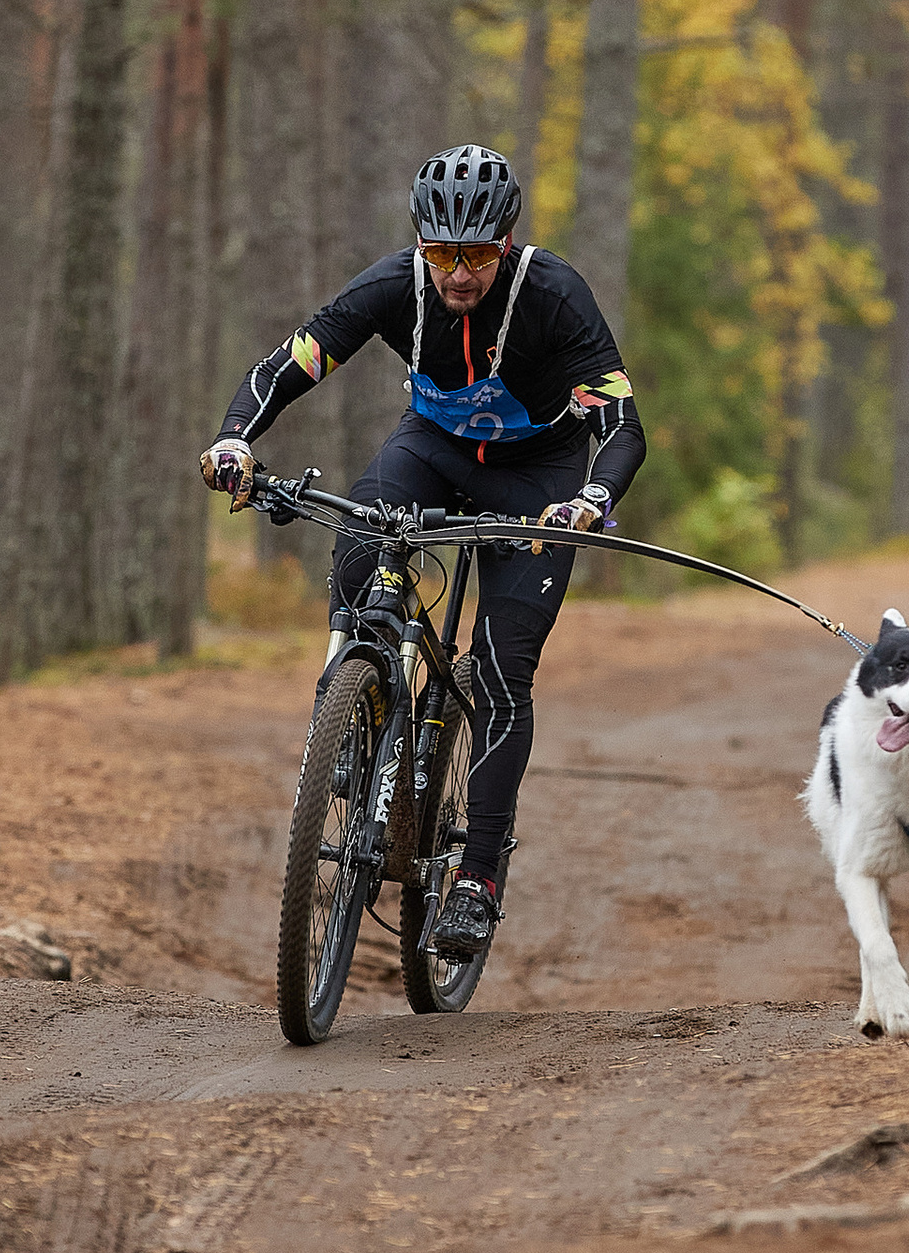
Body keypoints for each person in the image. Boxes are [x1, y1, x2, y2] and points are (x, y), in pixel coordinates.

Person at [200, 145, 644, 962]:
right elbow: (293, 362)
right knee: (358, 535)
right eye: (443, 253)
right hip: (431, 449)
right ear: (422, 243)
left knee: (504, 665)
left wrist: (589, 498)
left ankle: (476, 878)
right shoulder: (392, 285)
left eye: (475, 255)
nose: (459, 275)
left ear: (504, 245)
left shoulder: (554, 295)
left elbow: (620, 423)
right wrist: (235, 440)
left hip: (536, 478)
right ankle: (353, 707)